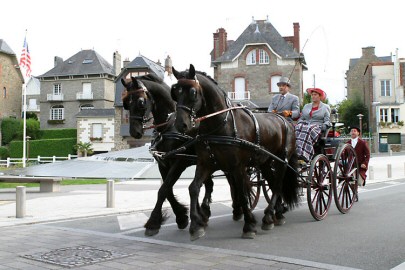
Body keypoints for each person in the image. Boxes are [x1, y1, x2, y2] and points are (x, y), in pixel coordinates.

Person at [295, 88, 331, 162]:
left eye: (315, 95)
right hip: (305, 124)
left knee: (308, 129)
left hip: (318, 126)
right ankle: (296, 150)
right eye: (312, 95)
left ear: (320, 96)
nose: (313, 96)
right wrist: (299, 123)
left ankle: (304, 153)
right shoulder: (306, 106)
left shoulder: (325, 107)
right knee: (297, 127)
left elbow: (327, 120)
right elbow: (302, 118)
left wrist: (325, 126)